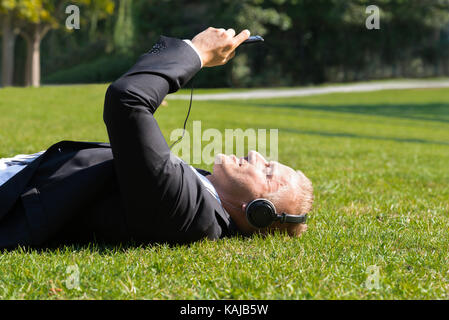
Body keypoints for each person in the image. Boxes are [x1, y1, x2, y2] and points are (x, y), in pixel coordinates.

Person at [0, 27, 313, 249]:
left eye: (268, 170)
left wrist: (198, 52)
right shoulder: (200, 196)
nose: (256, 154)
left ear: (258, 210)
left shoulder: (192, 212)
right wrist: (151, 98)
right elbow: (140, 152)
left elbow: (126, 100)